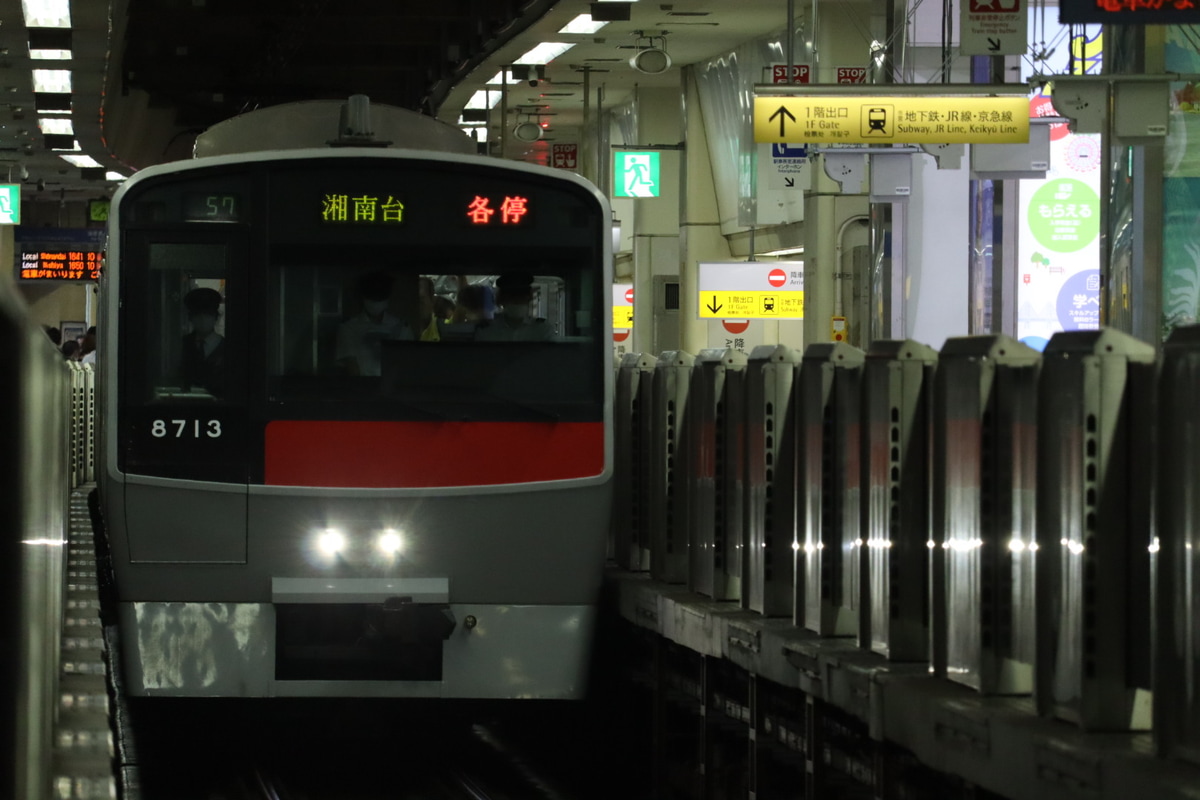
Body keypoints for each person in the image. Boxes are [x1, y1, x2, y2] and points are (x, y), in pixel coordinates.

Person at [336, 271, 411, 376]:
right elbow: (352, 368)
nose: (376, 302)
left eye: (380, 297)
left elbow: (407, 364)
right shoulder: (349, 329)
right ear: (363, 298)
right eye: (372, 297)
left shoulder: (402, 327)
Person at [475, 272, 554, 342]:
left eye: (521, 297)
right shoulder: (486, 329)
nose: (517, 301)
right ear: (502, 300)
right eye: (511, 297)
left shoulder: (542, 329)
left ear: (529, 298)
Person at [181, 287, 226, 396]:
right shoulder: (182, 345)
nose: (202, 319)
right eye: (197, 314)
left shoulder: (227, 347)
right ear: (190, 318)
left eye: (208, 314)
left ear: (216, 317)